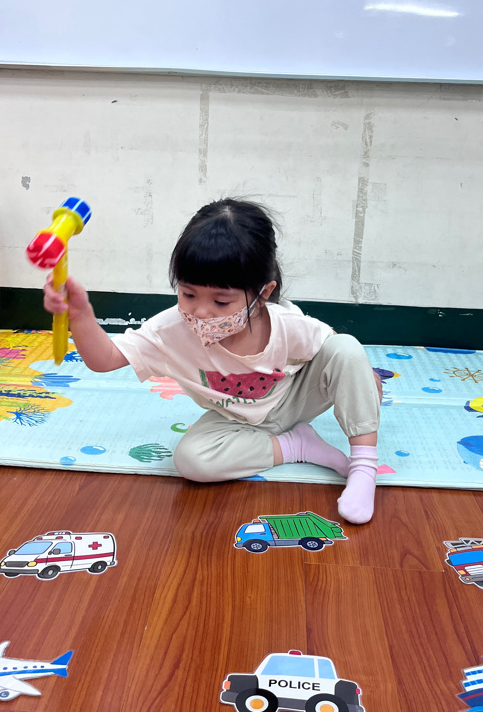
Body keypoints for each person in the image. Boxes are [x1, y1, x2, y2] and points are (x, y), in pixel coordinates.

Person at [43, 198, 382, 523]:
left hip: (297, 399)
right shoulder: (170, 332)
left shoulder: (286, 324)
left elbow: (336, 350)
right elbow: (105, 360)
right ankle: (297, 446)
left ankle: (364, 467)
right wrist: (81, 315)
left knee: (348, 348)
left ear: (263, 293)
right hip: (235, 420)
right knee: (191, 461)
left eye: (221, 302)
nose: (201, 311)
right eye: (188, 294)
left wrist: (360, 382)